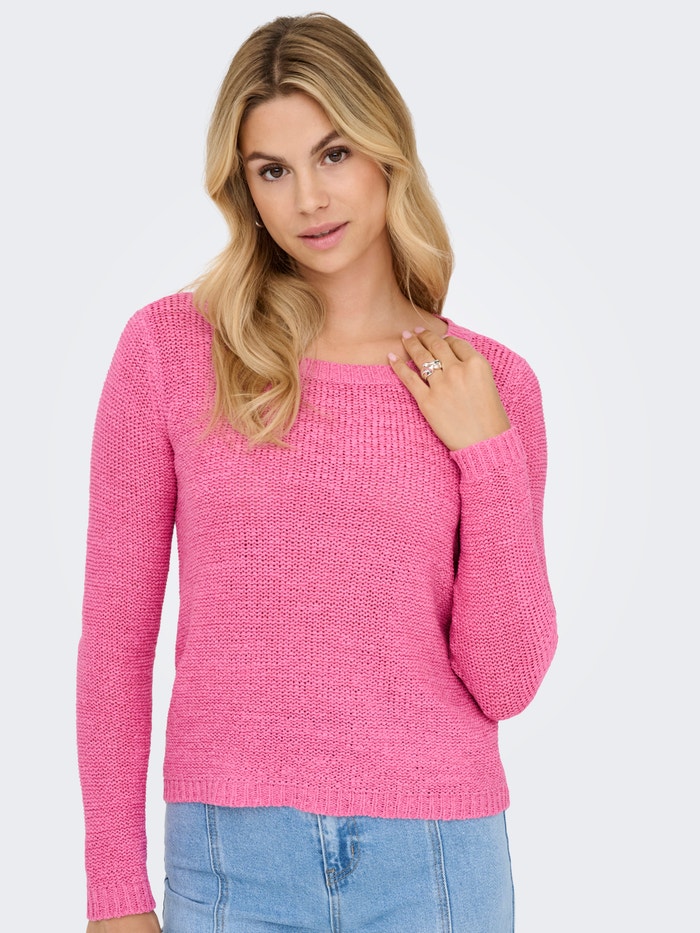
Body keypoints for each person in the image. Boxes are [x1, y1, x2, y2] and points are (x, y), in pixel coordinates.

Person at [77, 12, 557, 933]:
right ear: (244, 187)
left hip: (436, 863)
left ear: (386, 148)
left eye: (334, 153)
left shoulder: (491, 385)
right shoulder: (170, 351)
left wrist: (486, 453)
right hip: (230, 861)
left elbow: (507, 679)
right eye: (273, 169)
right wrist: (113, 890)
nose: (309, 199)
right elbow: (115, 640)